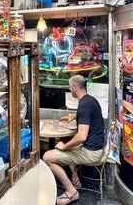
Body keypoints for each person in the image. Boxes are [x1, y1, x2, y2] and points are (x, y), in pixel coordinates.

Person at [43, 75, 105, 205]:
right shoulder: (90, 100)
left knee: (47, 157)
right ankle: (74, 176)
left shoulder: (84, 106)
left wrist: (64, 147)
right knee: (67, 140)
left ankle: (71, 192)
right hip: (96, 147)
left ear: (75, 88)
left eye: (70, 87)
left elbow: (81, 136)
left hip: (91, 153)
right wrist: (74, 116)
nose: (69, 89)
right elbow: (88, 118)